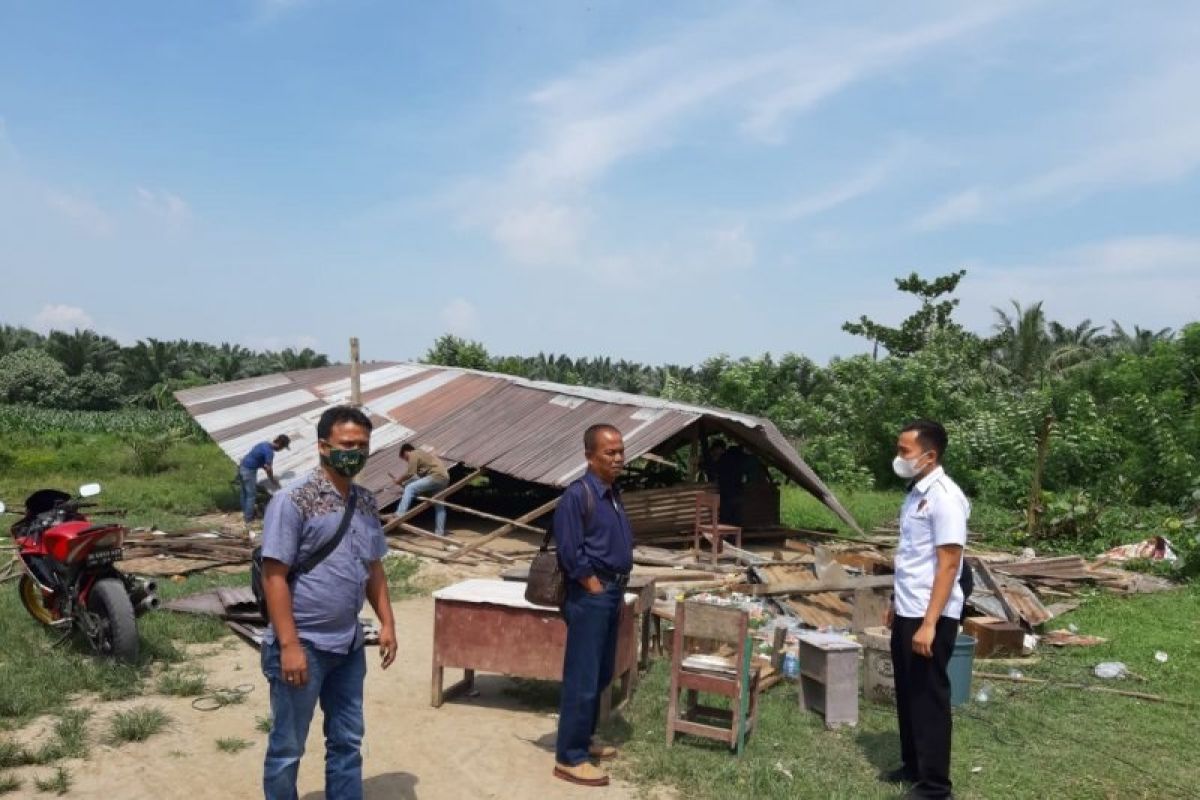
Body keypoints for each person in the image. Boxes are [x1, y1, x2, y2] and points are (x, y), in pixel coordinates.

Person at [259, 406, 397, 800]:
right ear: (323, 446)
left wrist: (387, 623)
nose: (355, 452)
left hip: (349, 646)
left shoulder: (366, 502)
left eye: (362, 445)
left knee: (347, 741)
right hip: (304, 646)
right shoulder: (293, 501)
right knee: (288, 748)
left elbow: (374, 568)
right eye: (346, 444)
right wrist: (289, 646)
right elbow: (274, 576)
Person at [884, 419, 970, 799]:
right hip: (909, 606)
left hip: (930, 614)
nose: (899, 458)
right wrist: (894, 604)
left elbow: (949, 563)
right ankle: (913, 764)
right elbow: (911, 558)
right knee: (906, 689)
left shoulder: (946, 497)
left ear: (929, 456)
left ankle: (936, 785)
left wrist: (930, 623)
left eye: (905, 452)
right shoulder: (914, 492)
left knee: (928, 696)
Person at [552, 424, 634, 788]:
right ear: (589, 456)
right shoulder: (577, 495)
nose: (618, 458)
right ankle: (570, 758)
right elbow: (570, 551)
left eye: (620, 451)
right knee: (583, 677)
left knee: (601, 673)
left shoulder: (612, 494)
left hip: (611, 592)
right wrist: (593, 586)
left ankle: (583, 741)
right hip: (591, 595)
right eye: (609, 452)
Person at [392, 443, 451, 536]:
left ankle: (400, 514)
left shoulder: (414, 453)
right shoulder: (423, 457)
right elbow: (417, 479)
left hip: (435, 476)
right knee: (439, 506)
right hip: (444, 478)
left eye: (405, 458)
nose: (406, 460)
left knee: (410, 488)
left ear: (406, 452)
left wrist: (398, 480)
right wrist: (404, 484)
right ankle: (439, 532)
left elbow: (410, 473)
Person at [239, 435, 290, 529]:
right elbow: (268, 468)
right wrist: (272, 480)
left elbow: (258, 459)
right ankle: (248, 520)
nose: (281, 450)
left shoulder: (264, 444)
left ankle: (244, 511)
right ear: (279, 445)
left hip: (242, 466)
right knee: (251, 495)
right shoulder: (270, 452)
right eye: (283, 448)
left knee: (244, 492)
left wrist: (265, 466)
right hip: (249, 471)